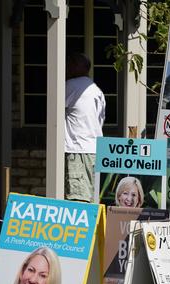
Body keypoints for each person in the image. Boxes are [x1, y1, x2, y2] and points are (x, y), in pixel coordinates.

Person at [65, 53, 105, 203]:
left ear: (77, 67)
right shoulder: (97, 91)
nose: (66, 69)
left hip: (77, 150)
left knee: (77, 200)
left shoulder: (71, 86)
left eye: (69, 65)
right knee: (91, 198)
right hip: (94, 151)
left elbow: (53, 110)